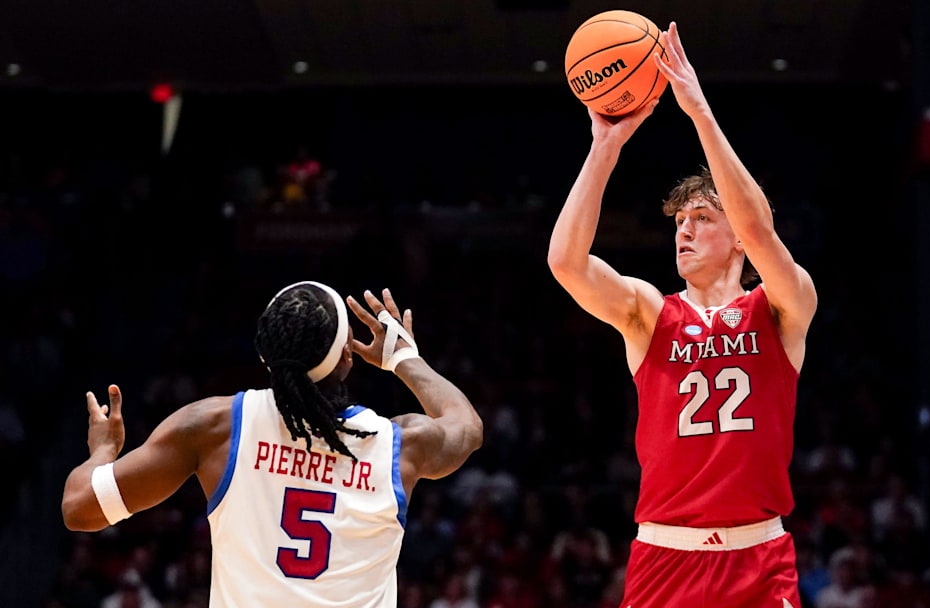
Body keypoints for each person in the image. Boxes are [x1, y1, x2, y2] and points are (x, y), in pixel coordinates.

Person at [547, 21, 817, 608]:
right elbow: (565, 262)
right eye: (678, 223)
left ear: (737, 238)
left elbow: (760, 227)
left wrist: (698, 111)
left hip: (759, 558)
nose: (684, 231)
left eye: (700, 218)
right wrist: (604, 148)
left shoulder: (781, 305)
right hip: (667, 558)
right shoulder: (649, 311)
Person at [61, 283, 484, 607]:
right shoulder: (398, 445)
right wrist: (404, 358)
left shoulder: (214, 427)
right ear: (347, 358)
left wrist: (103, 449)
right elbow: (466, 427)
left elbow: (80, 509)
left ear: (266, 353)